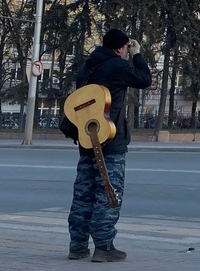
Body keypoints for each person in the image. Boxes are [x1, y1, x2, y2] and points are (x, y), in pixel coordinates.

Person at [67, 29, 152, 263]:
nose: (126, 51)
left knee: (83, 194)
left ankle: (77, 246)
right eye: (126, 48)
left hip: (87, 139)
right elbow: (144, 79)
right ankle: (104, 247)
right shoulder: (117, 65)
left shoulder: (87, 67)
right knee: (108, 193)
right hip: (110, 140)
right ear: (120, 48)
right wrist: (138, 56)